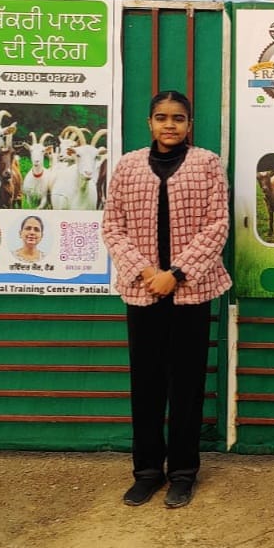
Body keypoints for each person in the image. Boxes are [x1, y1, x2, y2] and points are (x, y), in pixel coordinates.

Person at [102, 90, 231, 509]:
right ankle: (146, 472)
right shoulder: (127, 167)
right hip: (142, 292)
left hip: (192, 292)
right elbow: (113, 226)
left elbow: (217, 225)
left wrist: (176, 274)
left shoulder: (207, 164)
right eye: (161, 117)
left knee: (188, 383)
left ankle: (182, 472)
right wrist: (146, 273)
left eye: (178, 118)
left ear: (189, 124)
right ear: (149, 123)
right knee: (147, 381)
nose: (170, 125)